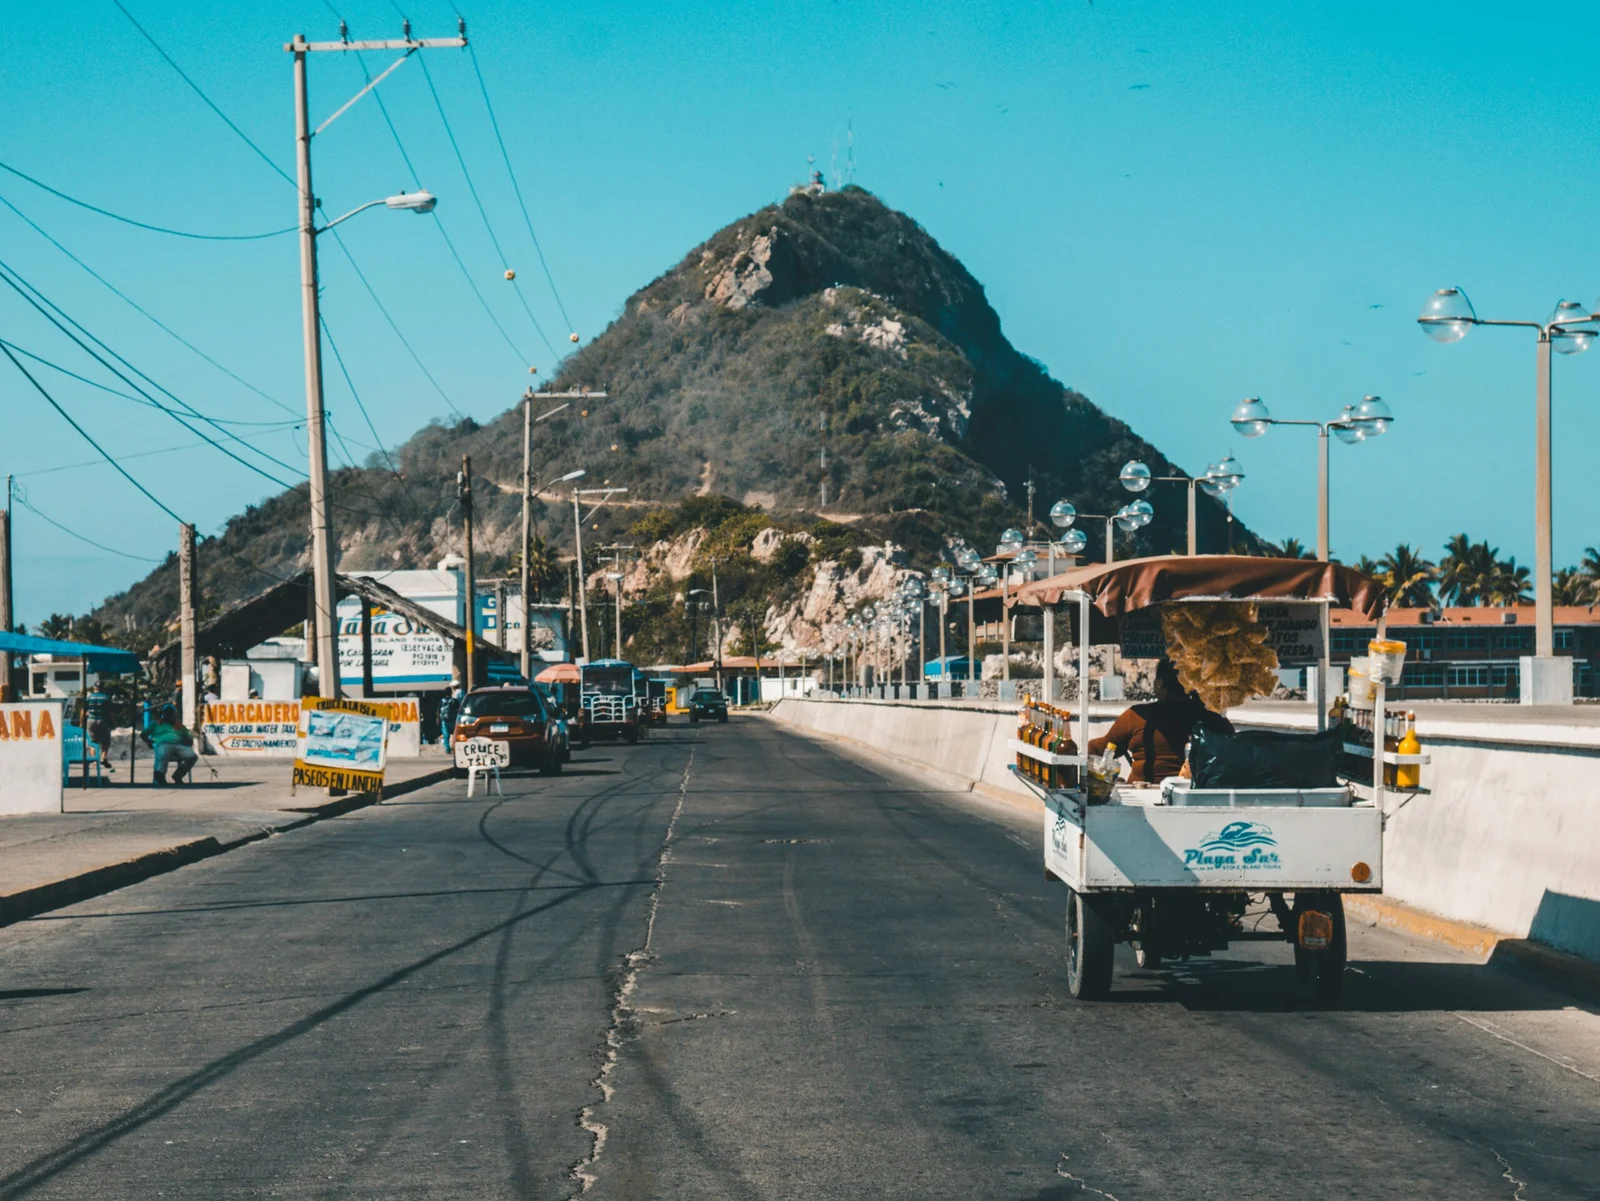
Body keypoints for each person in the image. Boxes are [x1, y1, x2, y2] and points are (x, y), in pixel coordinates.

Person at [1087, 659, 1233, 785]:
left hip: (1143, 793)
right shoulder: (1212, 719)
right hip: (1195, 796)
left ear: (1160, 684)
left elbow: (1101, 749)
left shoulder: (1138, 716)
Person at [142, 704, 198, 785]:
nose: (169, 715)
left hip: (179, 745)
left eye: (171, 713)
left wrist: (188, 740)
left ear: (174, 714)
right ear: (163, 714)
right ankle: (160, 775)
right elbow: (143, 734)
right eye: (167, 713)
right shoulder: (156, 724)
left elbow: (188, 737)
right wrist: (149, 742)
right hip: (163, 744)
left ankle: (178, 775)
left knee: (192, 756)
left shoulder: (179, 725)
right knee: (164, 752)